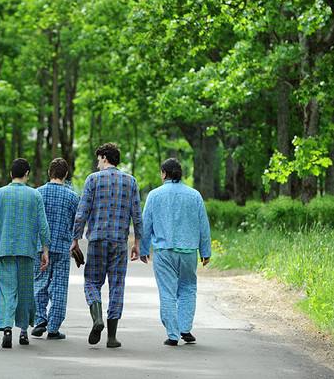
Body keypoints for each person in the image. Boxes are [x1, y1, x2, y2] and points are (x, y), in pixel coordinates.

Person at [71, 143, 143, 348]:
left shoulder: (93, 179)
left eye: (98, 158)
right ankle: (112, 337)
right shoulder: (131, 182)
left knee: (92, 282)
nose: (97, 162)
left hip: (97, 240)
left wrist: (75, 239)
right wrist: (137, 242)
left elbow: (82, 211)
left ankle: (97, 319)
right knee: (117, 285)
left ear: (104, 157)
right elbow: (137, 215)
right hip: (119, 242)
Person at [138, 158, 211, 346]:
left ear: (164, 173)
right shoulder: (194, 195)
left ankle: (172, 334)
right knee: (188, 288)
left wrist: (143, 249)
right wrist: (206, 251)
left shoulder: (154, 195)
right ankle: (185, 328)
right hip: (188, 250)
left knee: (167, 291)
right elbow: (203, 225)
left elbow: (146, 225)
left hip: (164, 251)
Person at [0, 158, 51, 349]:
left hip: (4, 250)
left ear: (11, 174)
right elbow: (43, 225)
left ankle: (6, 328)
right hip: (27, 251)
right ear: (27, 174)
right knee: (25, 291)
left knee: (6, 290)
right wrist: (45, 250)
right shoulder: (34, 195)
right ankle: (23, 332)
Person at [31, 158, 80, 340]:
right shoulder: (73, 197)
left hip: (39, 246)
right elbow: (78, 223)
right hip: (62, 246)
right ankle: (53, 327)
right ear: (66, 175)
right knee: (59, 287)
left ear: (49, 173)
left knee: (39, 282)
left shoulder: (37, 194)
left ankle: (39, 320)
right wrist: (76, 240)